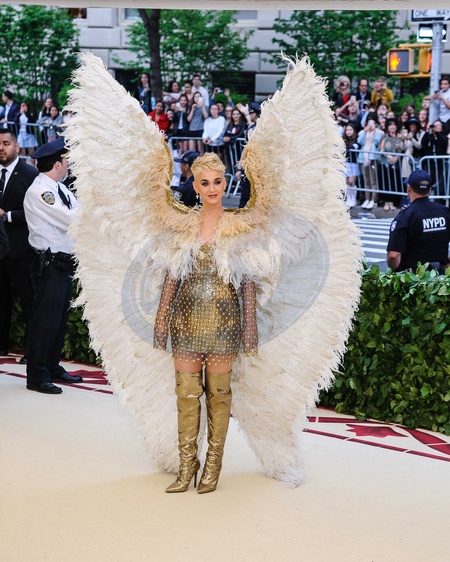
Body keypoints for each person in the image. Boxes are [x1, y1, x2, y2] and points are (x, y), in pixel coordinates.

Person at [154, 153, 258, 493]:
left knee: (219, 395)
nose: (212, 188)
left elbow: (247, 280)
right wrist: (161, 317)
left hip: (225, 322)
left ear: (225, 183)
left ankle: (213, 465)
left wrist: (250, 324)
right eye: (205, 183)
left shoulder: (239, 225)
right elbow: (172, 273)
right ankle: (187, 466)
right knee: (186, 394)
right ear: (195, 186)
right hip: (185, 319)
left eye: (217, 181)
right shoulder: (184, 224)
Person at [24, 139, 82, 394]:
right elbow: (71, 219)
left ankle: (51, 365)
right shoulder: (40, 191)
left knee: (57, 321)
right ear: (57, 164)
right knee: (45, 321)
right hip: (48, 264)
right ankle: (37, 374)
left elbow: (78, 211)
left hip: (63, 264)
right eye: (66, 160)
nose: (68, 164)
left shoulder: (60, 189)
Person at [0, 128, 39, 358]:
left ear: (17, 146)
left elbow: (35, 212)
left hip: (22, 250)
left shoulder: (30, 174)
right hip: (0, 251)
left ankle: (33, 351)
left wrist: (7, 216)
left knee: (28, 301)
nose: (1, 148)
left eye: (6, 143)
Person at [387, 170, 450, 273]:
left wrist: (393, 272)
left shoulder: (405, 217)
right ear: (429, 189)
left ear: (408, 189)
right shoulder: (445, 212)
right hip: (441, 275)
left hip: (413, 277)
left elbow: (393, 255)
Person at [235, 102, 261, 208]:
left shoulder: (254, 129)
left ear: (254, 114)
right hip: (254, 166)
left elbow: (247, 149)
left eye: (250, 113)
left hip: (253, 166)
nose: (249, 115)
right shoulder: (258, 128)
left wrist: (239, 168)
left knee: (246, 198)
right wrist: (239, 167)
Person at [357, 118, 383, 209]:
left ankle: (373, 200)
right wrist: (365, 131)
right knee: (366, 180)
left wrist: (374, 131)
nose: (371, 125)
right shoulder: (363, 132)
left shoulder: (378, 133)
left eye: (372, 123)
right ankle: (367, 199)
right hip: (364, 157)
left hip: (373, 157)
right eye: (369, 123)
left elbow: (378, 142)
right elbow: (359, 141)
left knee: (373, 180)